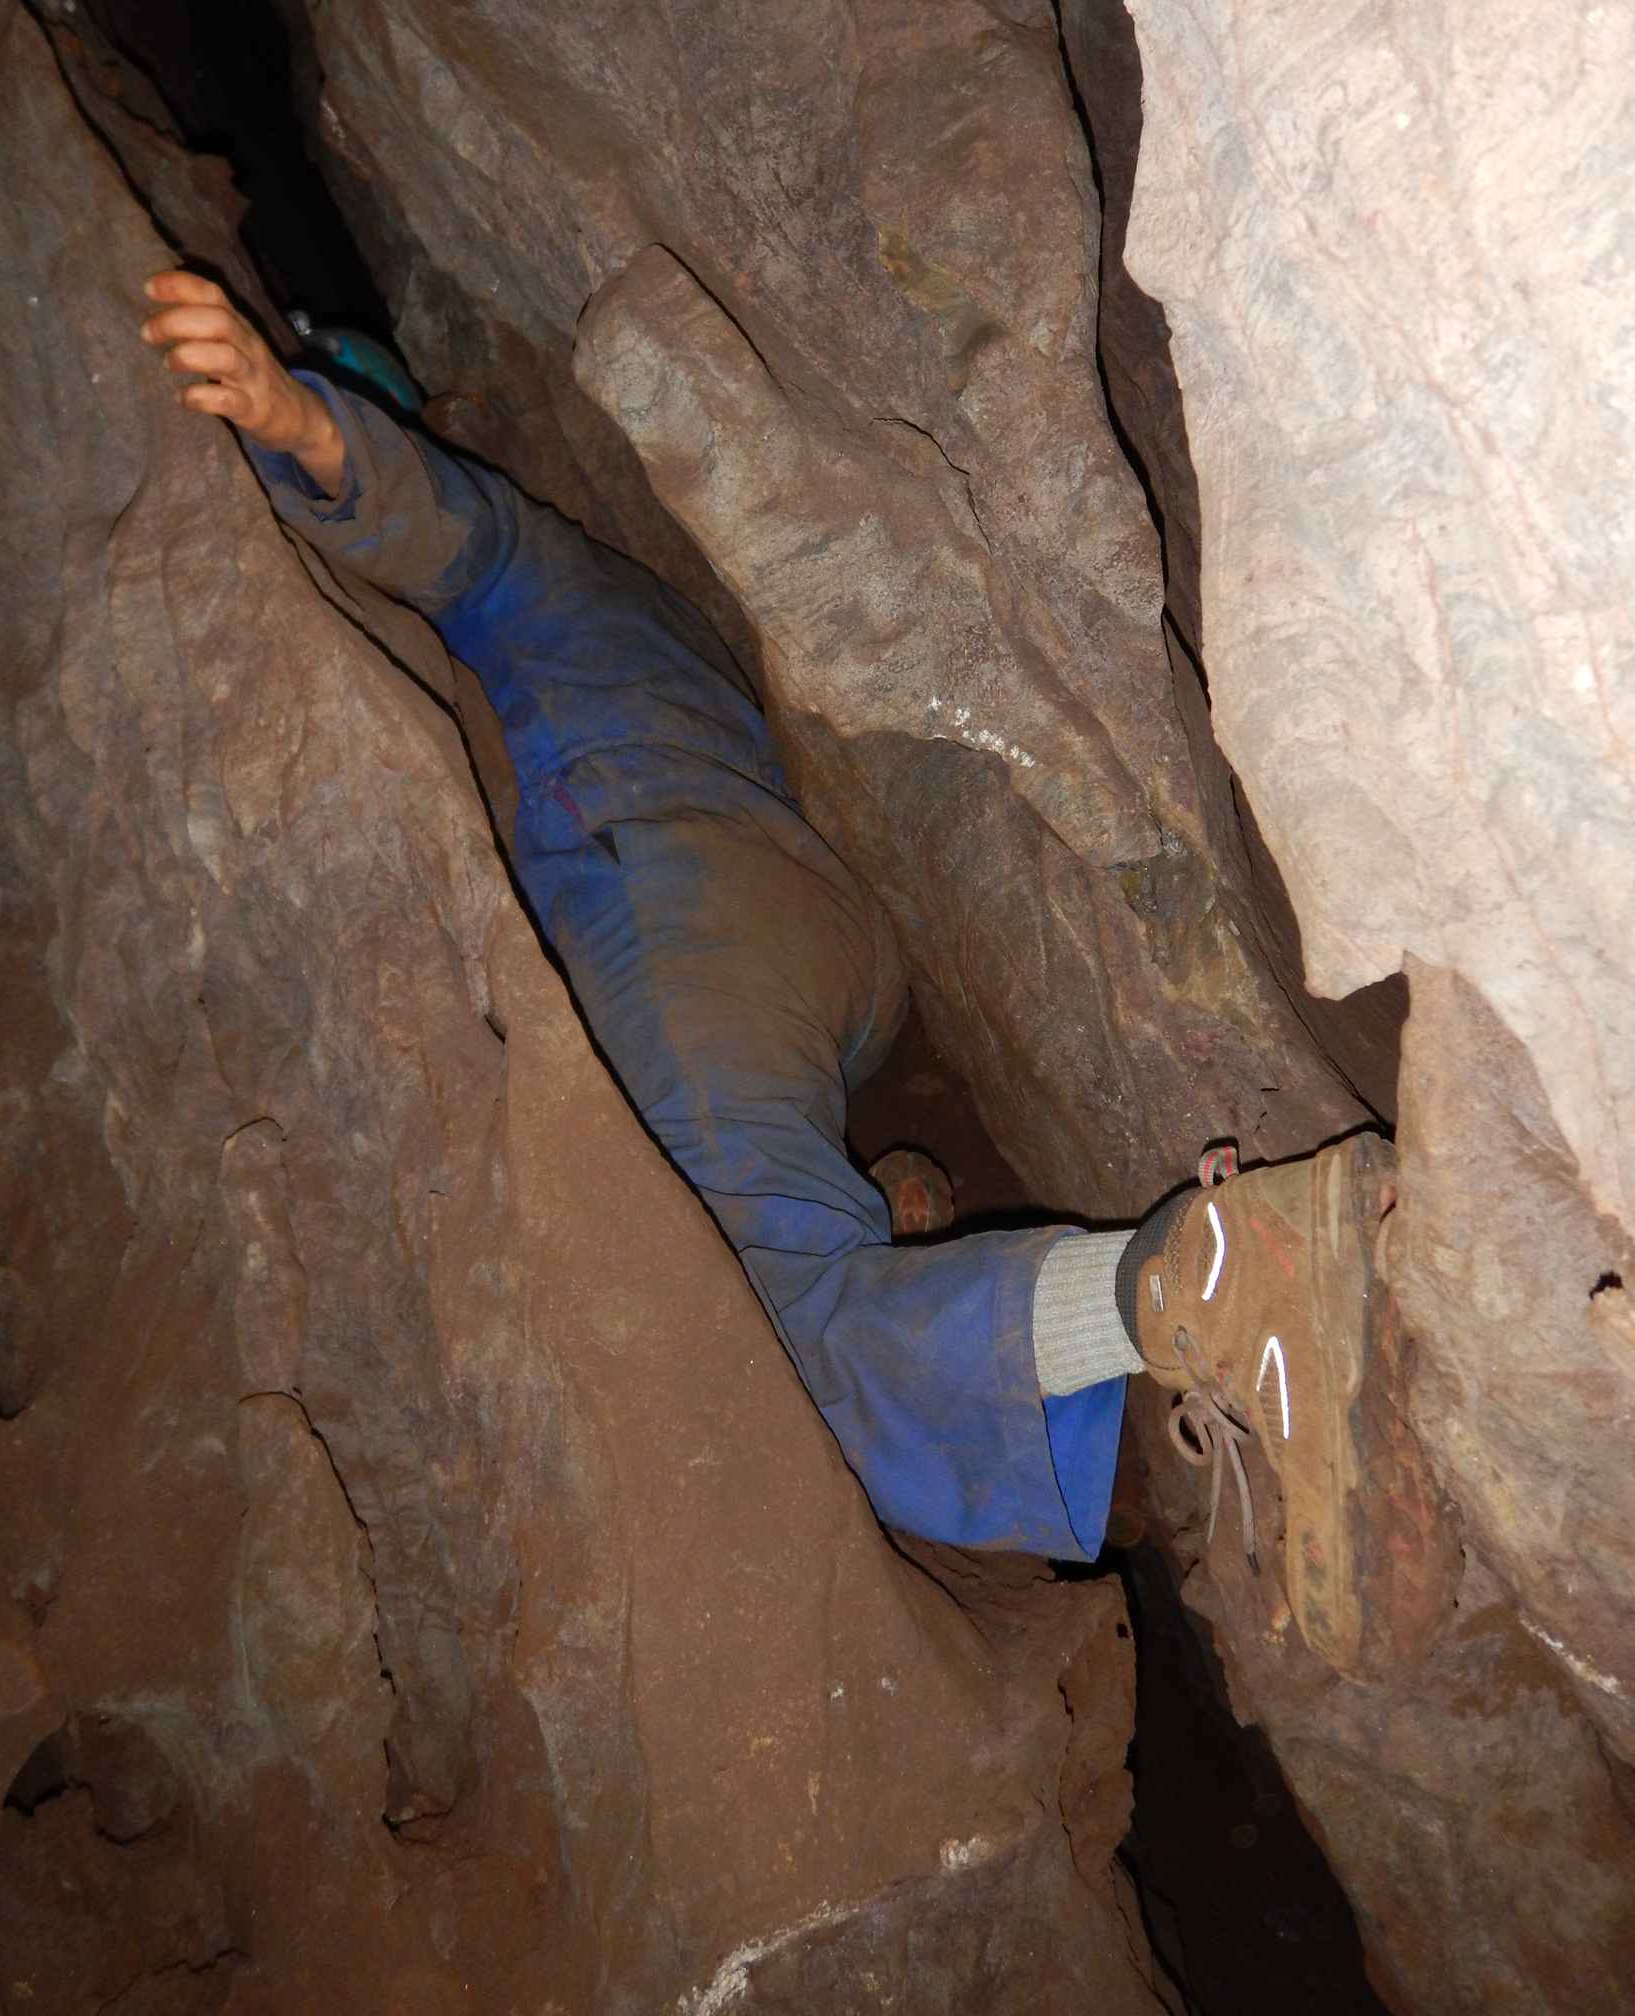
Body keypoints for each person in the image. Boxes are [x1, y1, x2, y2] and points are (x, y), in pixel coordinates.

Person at [141, 271, 1398, 1680]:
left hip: (690, 915)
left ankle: (1200, 1281)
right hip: (815, 951)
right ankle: (907, 1221)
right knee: (777, 1197)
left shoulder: (522, 576)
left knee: (779, 1343)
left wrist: (296, 427)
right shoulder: (618, 592)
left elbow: (459, 538)